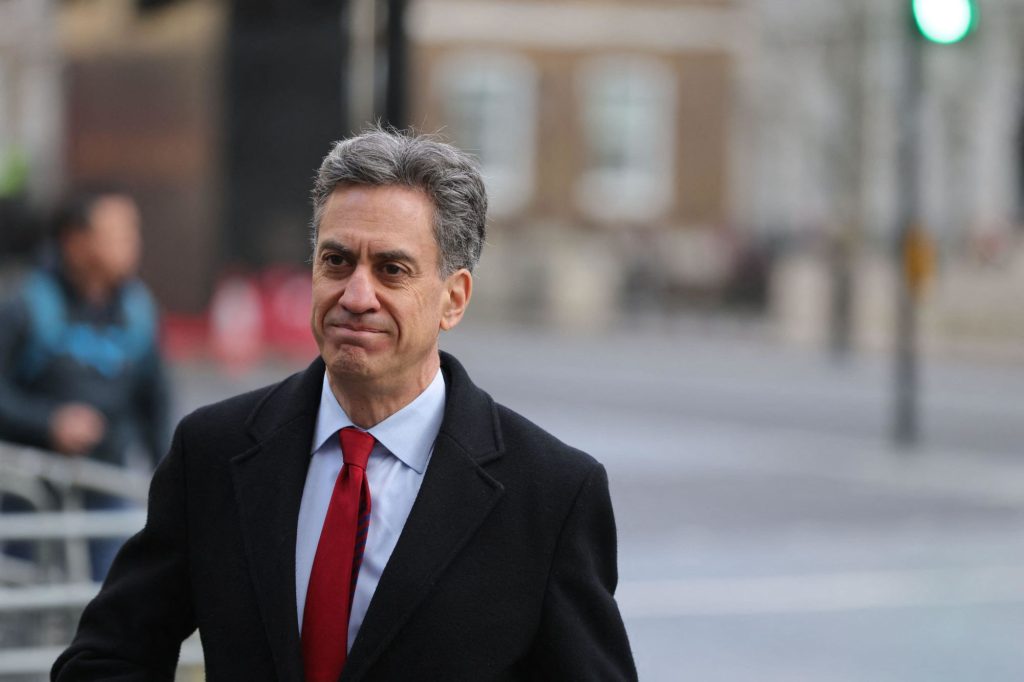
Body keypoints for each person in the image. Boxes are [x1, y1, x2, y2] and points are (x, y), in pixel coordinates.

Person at [52, 129, 637, 680]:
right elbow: (105, 660)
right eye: (336, 262)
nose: (357, 296)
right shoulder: (214, 451)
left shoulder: (551, 493)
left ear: (453, 299)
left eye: (392, 270)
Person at [0, 187, 169, 582]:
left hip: (107, 485)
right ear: (75, 242)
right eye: (118, 234)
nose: (133, 245)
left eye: (133, 232)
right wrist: (48, 422)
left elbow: (155, 401)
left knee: (114, 595)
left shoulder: (137, 310)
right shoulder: (26, 305)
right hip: (28, 494)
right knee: (25, 606)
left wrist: (168, 480)